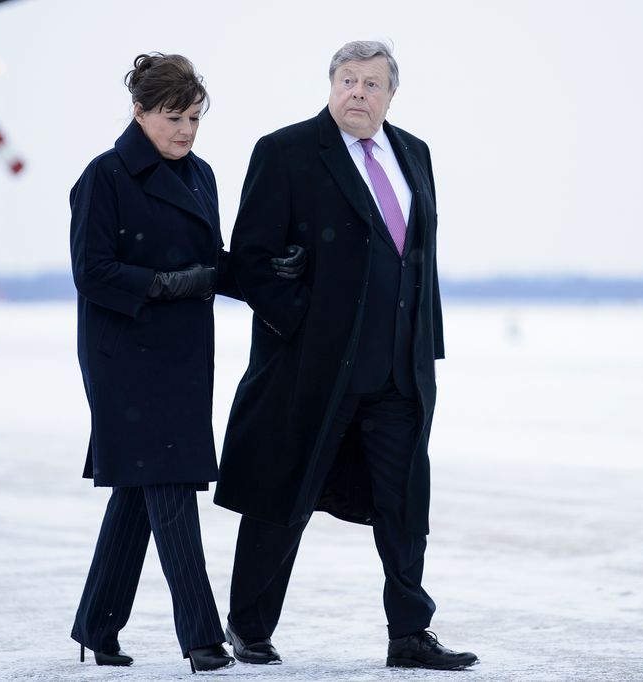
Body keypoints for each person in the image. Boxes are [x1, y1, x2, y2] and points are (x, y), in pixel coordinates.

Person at [214, 41, 478, 670]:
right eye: (348, 80)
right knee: (285, 494)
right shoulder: (285, 152)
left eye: (372, 83)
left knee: (404, 502)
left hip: (398, 369)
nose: (358, 92)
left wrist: (426, 346)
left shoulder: (414, 153)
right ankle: (249, 627)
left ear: (392, 95)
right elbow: (248, 259)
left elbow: (420, 259)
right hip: (312, 369)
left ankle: (410, 634)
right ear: (330, 85)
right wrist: (302, 321)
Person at [67, 53, 305, 673]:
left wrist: (269, 272)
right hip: (125, 361)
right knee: (170, 489)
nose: (186, 131)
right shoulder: (106, 177)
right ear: (140, 112)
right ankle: (202, 640)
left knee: (140, 493)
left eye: (195, 118)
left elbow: (214, 263)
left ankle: (96, 625)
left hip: (184, 357)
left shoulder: (201, 175)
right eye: (173, 117)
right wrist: (167, 284)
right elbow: (91, 273)